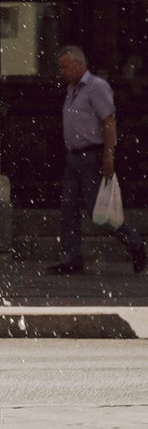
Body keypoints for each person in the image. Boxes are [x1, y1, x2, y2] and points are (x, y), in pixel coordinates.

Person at [55, 40, 148, 280]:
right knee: (69, 208)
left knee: (100, 211)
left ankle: (136, 244)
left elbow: (109, 121)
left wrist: (108, 154)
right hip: (74, 157)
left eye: (65, 67)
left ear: (78, 65)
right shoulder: (72, 90)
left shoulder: (96, 87)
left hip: (92, 155)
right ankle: (71, 257)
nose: (63, 73)